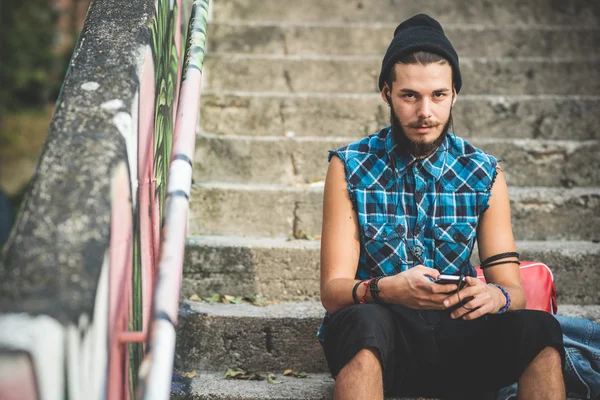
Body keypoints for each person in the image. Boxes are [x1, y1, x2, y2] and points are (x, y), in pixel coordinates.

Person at [318, 14, 565, 400]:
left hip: (459, 336)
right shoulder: (349, 165)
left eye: (438, 95)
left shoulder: (484, 172)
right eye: (410, 95)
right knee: (363, 323)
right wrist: (387, 290)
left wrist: (495, 296)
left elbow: (513, 288)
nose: (425, 112)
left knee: (541, 329)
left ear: (454, 94)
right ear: (387, 93)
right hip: (382, 340)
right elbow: (333, 292)